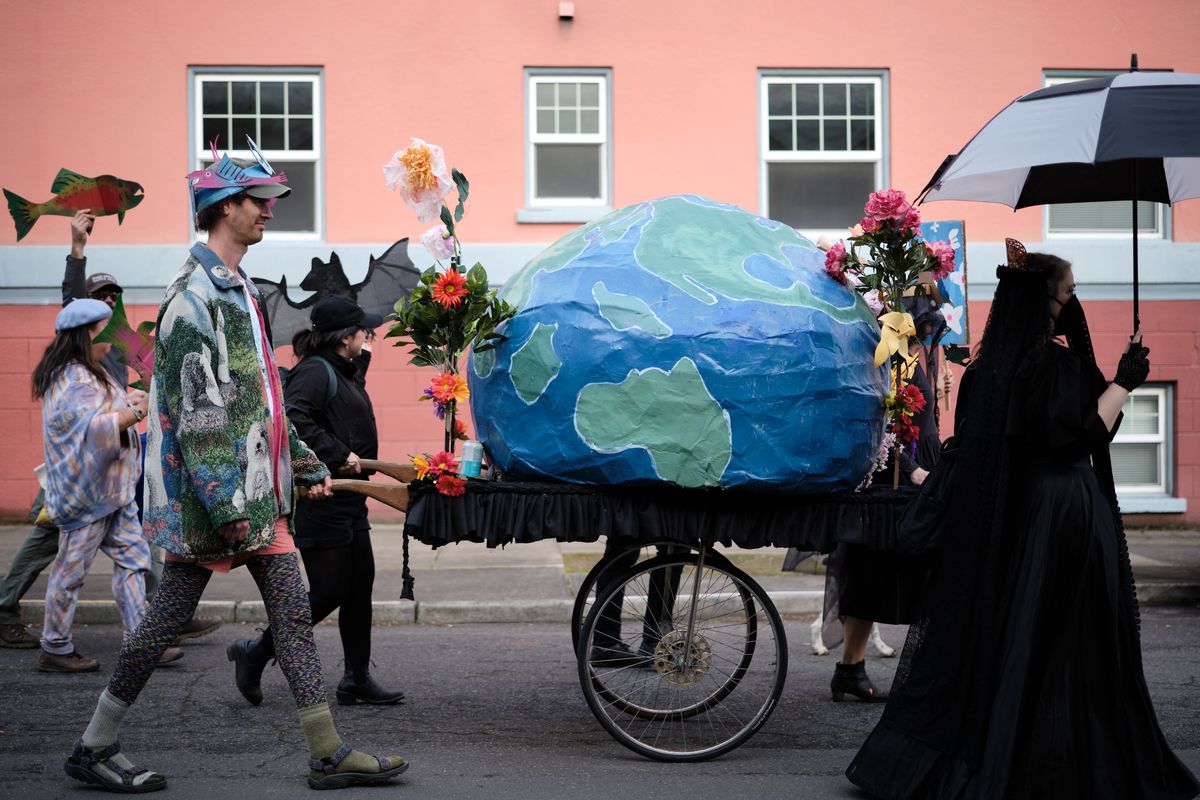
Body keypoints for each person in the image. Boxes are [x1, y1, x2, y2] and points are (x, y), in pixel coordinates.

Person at [63, 143, 408, 793]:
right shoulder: (193, 297)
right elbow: (197, 416)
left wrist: (302, 464)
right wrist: (226, 508)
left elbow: (263, 401)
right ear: (223, 208)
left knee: (294, 615)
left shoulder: (238, 286)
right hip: (217, 504)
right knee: (163, 623)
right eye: (258, 202)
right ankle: (94, 743)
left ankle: (326, 751)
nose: (268, 213)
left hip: (258, 496)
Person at [845, 242, 1199, 799]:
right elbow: (1082, 435)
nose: (1073, 302)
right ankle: (1053, 761)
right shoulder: (1051, 365)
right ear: (1045, 302)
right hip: (1061, 515)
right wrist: (1125, 381)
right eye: (1067, 292)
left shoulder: (987, 369)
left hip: (1011, 516)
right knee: (1067, 642)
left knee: (1015, 633)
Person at [0, 211, 220, 650]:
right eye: (101, 296)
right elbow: (95, 422)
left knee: (135, 548)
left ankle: (159, 619)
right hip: (79, 472)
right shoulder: (77, 355)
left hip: (117, 470)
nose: (110, 301)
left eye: (114, 295)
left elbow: (159, 375)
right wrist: (77, 250)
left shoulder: (120, 340)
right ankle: (16, 614)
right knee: (54, 544)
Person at [228, 295, 404, 706]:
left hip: (350, 497)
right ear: (345, 337)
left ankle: (356, 678)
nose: (368, 334)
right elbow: (292, 418)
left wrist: (361, 360)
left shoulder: (343, 368)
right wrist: (338, 453)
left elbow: (342, 403)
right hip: (323, 497)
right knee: (327, 591)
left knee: (360, 586)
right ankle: (255, 653)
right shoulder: (314, 371)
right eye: (362, 330)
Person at [32, 299, 160, 673]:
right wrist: (139, 409)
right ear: (86, 335)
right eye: (106, 331)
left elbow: (104, 412)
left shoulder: (92, 372)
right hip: (87, 496)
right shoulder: (73, 379)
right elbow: (94, 431)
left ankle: (140, 643)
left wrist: (132, 400)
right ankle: (54, 647)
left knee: (134, 561)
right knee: (70, 572)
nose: (114, 339)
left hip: (112, 492)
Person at [826, 294, 943, 703]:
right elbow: (879, 420)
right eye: (923, 322)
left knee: (920, 575)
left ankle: (860, 669)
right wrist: (910, 465)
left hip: (918, 469)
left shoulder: (916, 354)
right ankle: (850, 668)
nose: (929, 327)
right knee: (871, 572)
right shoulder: (888, 357)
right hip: (896, 478)